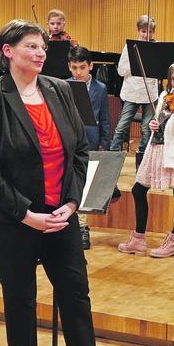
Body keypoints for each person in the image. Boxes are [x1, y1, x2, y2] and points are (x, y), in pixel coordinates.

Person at [0, 20, 133, 346]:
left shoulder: (61, 90)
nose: (41, 53)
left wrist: (73, 203)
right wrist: (26, 214)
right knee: (21, 301)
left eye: (42, 47)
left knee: (76, 292)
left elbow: (80, 151)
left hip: (60, 214)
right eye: (30, 46)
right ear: (8, 51)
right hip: (13, 220)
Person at [118, 61, 174, 258]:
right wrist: (155, 123)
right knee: (139, 189)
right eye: (173, 78)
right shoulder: (164, 95)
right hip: (155, 147)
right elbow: (159, 119)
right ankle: (138, 239)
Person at [68, 46, 112, 249]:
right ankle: (71, 227)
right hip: (69, 142)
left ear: (91, 67)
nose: (78, 72)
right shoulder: (64, 86)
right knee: (71, 183)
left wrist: (105, 142)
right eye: (74, 67)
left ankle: (83, 228)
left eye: (82, 67)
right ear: (69, 66)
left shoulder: (100, 88)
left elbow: (104, 117)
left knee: (87, 185)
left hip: (91, 141)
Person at [109, 15, 159, 166]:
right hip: (131, 92)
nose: (146, 35)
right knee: (121, 126)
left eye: (150, 31)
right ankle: (111, 157)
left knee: (146, 129)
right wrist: (137, 62)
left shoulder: (156, 46)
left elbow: (159, 70)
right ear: (138, 30)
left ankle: (142, 161)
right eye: (143, 31)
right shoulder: (129, 47)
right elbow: (121, 71)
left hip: (150, 93)